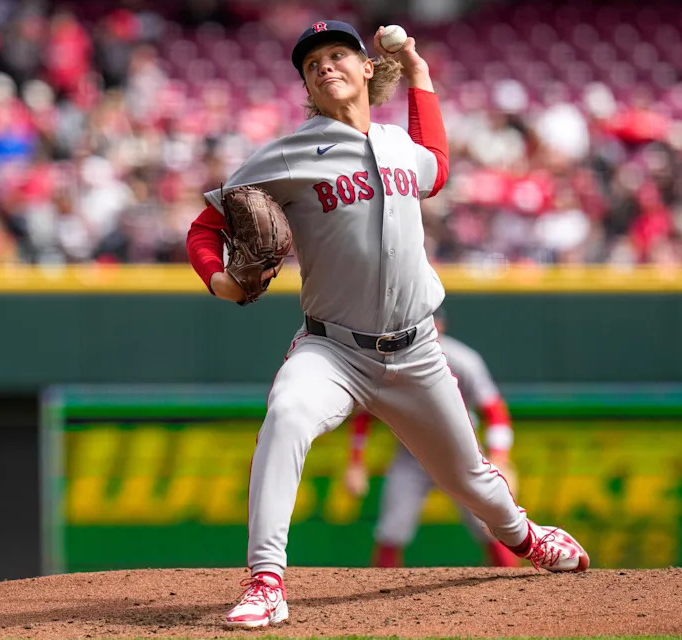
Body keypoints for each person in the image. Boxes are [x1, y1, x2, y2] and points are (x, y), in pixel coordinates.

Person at [185, 20, 589, 629]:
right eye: (312, 62)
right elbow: (203, 227)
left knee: (473, 480)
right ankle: (266, 579)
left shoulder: (399, 143)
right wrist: (219, 279)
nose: (326, 66)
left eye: (338, 54)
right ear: (306, 86)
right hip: (333, 351)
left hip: (418, 352)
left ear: (366, 67)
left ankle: (526, 537)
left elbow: (440, 168)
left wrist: (421, 76)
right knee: (287, 415)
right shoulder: (289, 153)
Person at [344, 308, 521, 569]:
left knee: (492, 523)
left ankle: (516, 594)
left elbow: (493, 408)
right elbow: (365, 414)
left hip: (461, 452)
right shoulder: (390, 361)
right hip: (411, 455)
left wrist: (499, 457)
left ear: (440, 325)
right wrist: (356, 462)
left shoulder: (462, 359)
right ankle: (379, 602)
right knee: (391, 530)